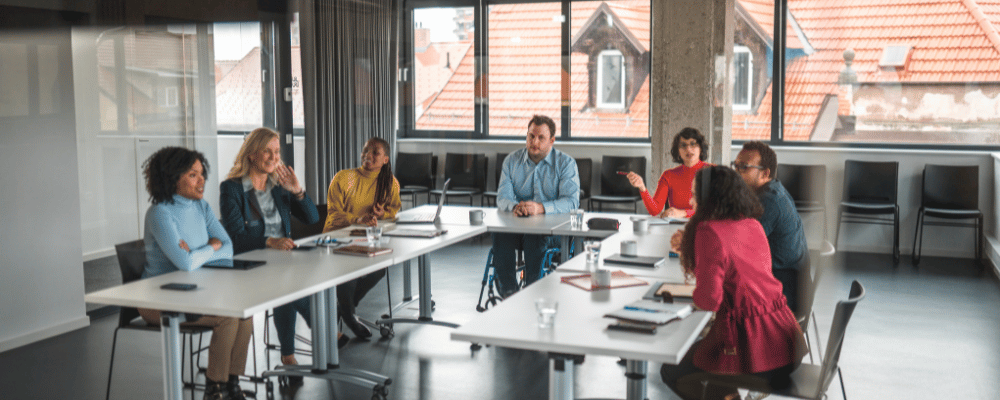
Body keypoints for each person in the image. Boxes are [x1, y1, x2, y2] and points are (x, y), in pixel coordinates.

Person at [662, 166, 806, 400]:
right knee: (716, 378)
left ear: (708, 199)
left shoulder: (709, 231)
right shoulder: (752, 224)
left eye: (694, 194)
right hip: (788, 344)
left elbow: (709, 300)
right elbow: (737, 276)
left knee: (672, 369)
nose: (690, 200)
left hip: (754, 351)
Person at [139, 146, 252, 400]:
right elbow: (186, 264)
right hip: (157, 301)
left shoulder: (201, 207)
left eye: (202, 174)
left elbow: (228, 248)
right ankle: (215, 390)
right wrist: (211, 246)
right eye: (193, 175)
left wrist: (200, 251)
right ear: (171, 178)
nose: (201, 180)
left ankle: (232, 385)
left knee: (245, 314)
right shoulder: (160, 213)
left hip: (195, 293)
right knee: (229, 318)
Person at [219, 127, 322, 374]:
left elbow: (312, 218)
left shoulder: (278, 187)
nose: (274, 157)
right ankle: (323, 333)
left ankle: (289, 354)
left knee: (294, 279)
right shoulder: (231, 189)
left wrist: (297, 190)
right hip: (249, 265)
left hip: (282, 262)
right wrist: (269, 241)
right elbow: (235, 239)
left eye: (276, 152)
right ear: (252, 154)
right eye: (267, 151)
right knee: (288, 282)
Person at [493, 115, 580, 297]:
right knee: (500, 232)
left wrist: (540, 208)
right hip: (518, 229)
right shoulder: (511, 161)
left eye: (541, 138)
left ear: (552, 141)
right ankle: (508, 292)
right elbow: (502, 197)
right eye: (531, 136)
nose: (535, 142)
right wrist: (517, 207)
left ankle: (533, 292)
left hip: (551, 232)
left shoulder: (566, 164)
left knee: (534, 237)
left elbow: (572, 201)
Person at [323, 137, 402, 338]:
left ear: (385, 159)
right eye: (366, 150)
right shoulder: (343, 178)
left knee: (379, 270)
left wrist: (382, 214)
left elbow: (394, 210)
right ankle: (349, 315)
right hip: (337, 240)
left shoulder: (389, 182)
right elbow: (333, 215)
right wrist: (358, 219)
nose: (368, 155)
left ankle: (344, 310)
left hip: (366, 240)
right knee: (349, 274)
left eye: (375, 152)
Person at [732, 141, 809, 314]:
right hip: (782, 281)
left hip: (784, 294)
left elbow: (739, 248)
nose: (736, 173)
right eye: (735, 166)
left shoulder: (768, 200)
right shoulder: (769, 190)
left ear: (765, 173)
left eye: (744, 167)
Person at [626, 127, 709, 218]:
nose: (688, 149)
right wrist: (642, 187)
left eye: (693, 144)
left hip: (705, 225)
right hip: (676, 227)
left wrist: (684, 213)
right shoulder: (668, 175)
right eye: (683, 145)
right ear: (678, 151)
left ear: (701, 147)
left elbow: (716, 208)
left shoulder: (713, 172)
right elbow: (655, 210)